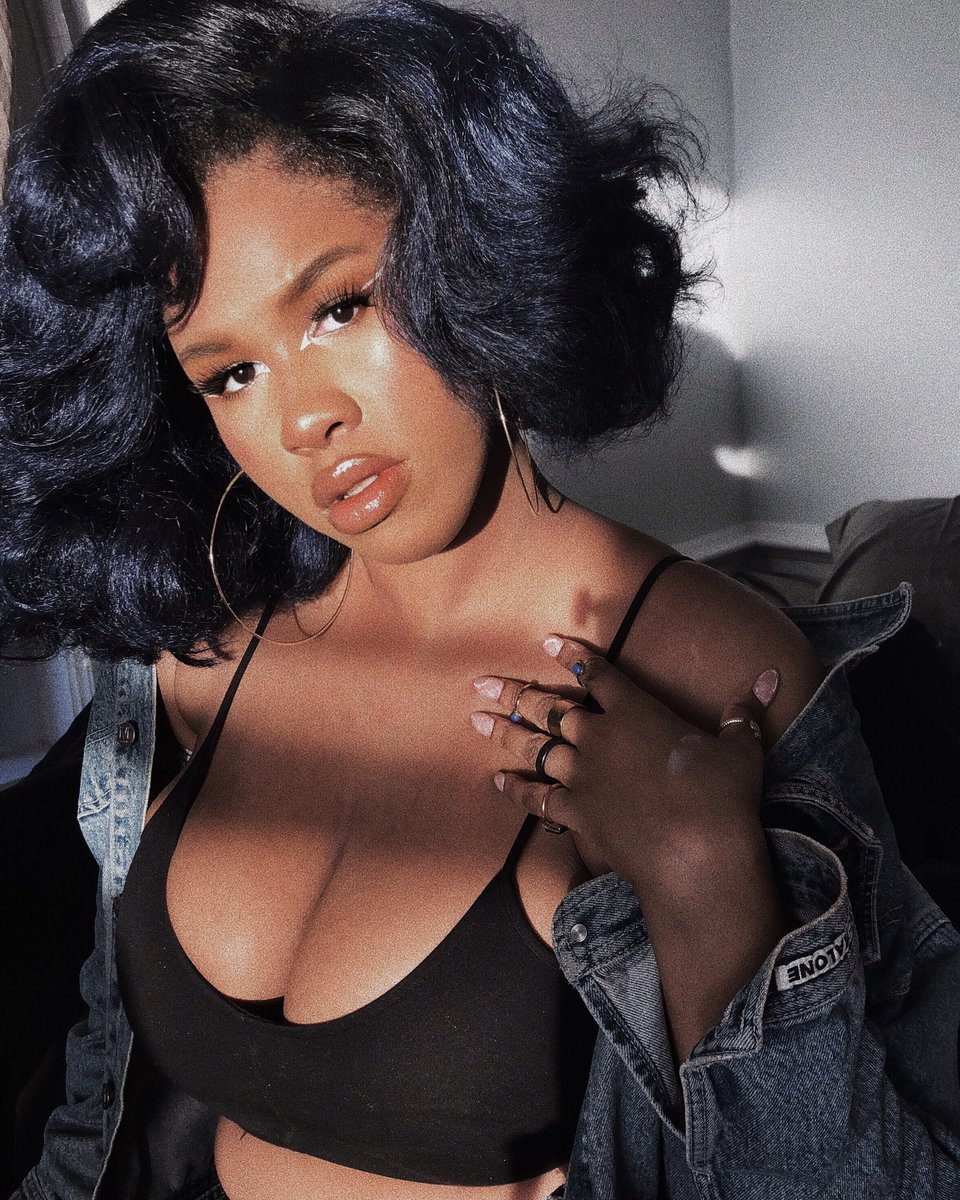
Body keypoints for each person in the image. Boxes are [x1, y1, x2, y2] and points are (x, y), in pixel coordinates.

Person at [2, 1, 959, 1197]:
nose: (304, 418)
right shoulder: (197, 662)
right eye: (231, 372)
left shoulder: (717, 674)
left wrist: (706, 882)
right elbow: (98, 1095)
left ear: (470, 248)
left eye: (339, 305)